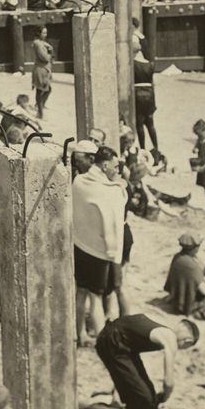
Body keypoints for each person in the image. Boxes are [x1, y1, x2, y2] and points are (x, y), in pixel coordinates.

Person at [95, 315, 199, 409]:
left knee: (148, 394)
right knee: (144, 397)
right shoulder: (170, 338)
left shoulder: (162, 327)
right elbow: (169, 382)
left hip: (122, 345)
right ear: (187, 342)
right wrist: (166, 395)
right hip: (113, 344)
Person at [72, 146, 127, 345]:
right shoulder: (108, 190)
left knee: (80, 291)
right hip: (98, 250)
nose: (117, 170)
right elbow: (114, 217)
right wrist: (114, 255)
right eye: (114, 166)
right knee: (96, 296)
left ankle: (79, 334)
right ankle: (105, 343)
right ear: (104, 165)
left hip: (79, 244)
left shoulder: (79, 181)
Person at [164, 234, 205, 316]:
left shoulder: (177, 257)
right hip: (189, 304)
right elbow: (204, 290)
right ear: (195, 248)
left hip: (176, 300)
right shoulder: (191, 265)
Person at [31, 25, 54, 119]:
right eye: (43, 33)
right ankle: (40, 112)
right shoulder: (38, 44)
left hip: (44, 69)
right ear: (38, 33)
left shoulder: (41, 43)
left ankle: (40, 106)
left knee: (47, 89)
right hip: (41, 70)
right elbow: (44, 58)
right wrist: (50, 54)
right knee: (40, 90)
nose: (45, 34)